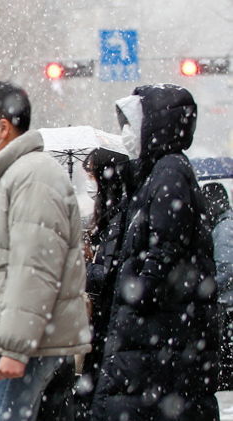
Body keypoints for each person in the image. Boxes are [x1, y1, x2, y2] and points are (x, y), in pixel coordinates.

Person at [0, 81, 91, 421]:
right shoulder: (17, 176)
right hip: (18, 339)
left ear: (2, 127)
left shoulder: (32, 177)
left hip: (26, 343)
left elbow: (35, 269)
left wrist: (15, 347)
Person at [88, 85, 219, 421]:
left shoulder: (169, 171)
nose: (126, 135)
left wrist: (141, 291)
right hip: (155, 341)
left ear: (156, 126)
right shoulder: (156, 173)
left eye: (133, 125)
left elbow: (164, 247)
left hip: (157, 341)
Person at [74, 148, 129, 421]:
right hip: (102, 329)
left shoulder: (120, 218)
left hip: (106, 329)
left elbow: (107, 277)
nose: (89, 181)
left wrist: (81, 267)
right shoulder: (110, 217)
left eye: (91, 174)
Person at [203, 183, 233, 396]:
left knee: (225, 357)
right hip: (225, 302)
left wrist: (207, 288)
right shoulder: (224, 225)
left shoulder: (224, 228)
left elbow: (226, 267)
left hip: (226, 303)